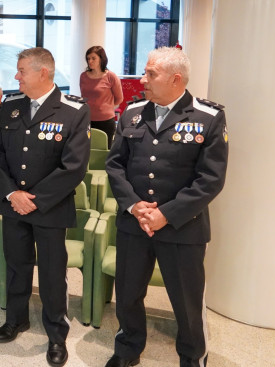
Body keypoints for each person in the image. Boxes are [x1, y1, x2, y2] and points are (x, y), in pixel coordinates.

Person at [104, 47, 228, 367]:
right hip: (134, 224)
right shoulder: (132, 113)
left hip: (182, 228)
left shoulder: (208, 117)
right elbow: (115, 165)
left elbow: (210, 180)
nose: (142, 79)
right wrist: (134, 206)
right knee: (129, 294)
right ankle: (128, 348)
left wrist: (165, 215)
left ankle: (191, 357)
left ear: (175, 79)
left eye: (150, 74)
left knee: (186, 302)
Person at [0, 47, 90, 367]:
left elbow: (73, 167)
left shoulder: (73, 110)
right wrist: (11, 194)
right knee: (16, 264)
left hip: (50, 207)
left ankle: (57, 333)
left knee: (52, 271)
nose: (15, 77)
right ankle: (17, 319)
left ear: (43, 72)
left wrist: (35, 199)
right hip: (13, 206)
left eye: (21, 71)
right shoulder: (12, 107)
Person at [79, 46, 123, 148]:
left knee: (104, 151)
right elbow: (83, 97)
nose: (90, 61)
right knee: (86, 150)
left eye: (93, 58)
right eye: (88, 58)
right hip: (87, 119)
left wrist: (106, 108)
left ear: (101, 59)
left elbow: (119, 99)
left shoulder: (111, 76)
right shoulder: (83, 76)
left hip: (106, 121)